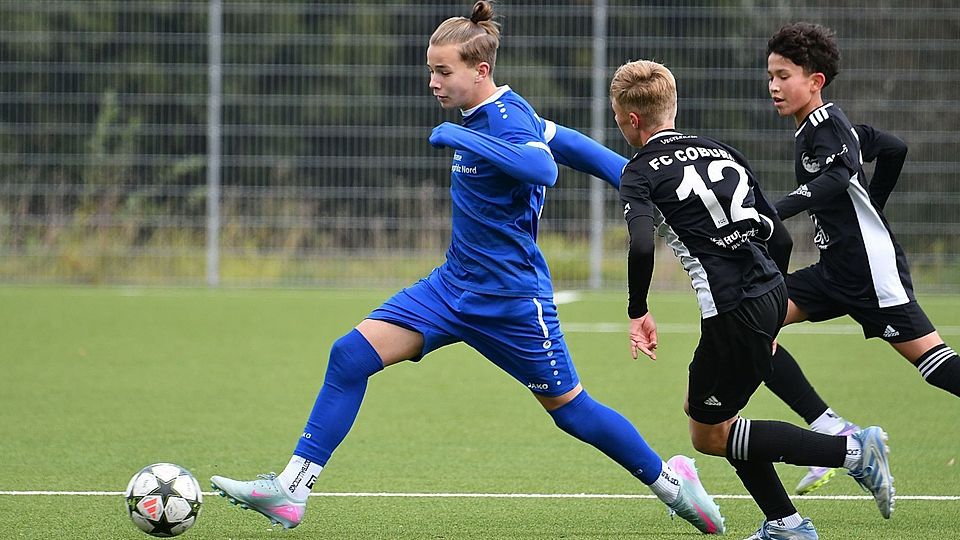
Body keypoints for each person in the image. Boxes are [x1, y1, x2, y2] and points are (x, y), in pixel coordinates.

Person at [209, 2, 726, 534]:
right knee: (348, 356)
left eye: (443, 71)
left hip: (510, 300)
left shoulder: (501, 119)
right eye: (431, 69)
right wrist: (636, 179)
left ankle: (672, 483)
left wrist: (459, 137)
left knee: (571, 411)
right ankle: (292, 490)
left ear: (480, 70)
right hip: (451, 288)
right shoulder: (502, 113)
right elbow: (571, 147)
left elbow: (542, 167)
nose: (433, 81)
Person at [612, 58, 893, 539]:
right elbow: (779, 238)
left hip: (732, 308)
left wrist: (638, 311)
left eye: (618, 119)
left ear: (631, 120)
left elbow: (641, 244)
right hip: (765, 292)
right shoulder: (723, 152)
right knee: (711, 414)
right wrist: (772, 304)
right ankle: (786, 523)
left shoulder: (639, 172)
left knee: (709, 433)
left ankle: (851, 451)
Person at [765, 21, 960, 494]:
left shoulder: (827, 125)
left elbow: (837, 177)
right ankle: (835, 431)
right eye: (770, 74)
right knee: (752, 322)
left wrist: (776, 210)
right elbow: (894, 148)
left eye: (784, 75)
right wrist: (875, 205)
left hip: (871, 272)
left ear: (815, 82)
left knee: (936, 367)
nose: (773, 85)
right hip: (835, 270)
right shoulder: (826, 126)